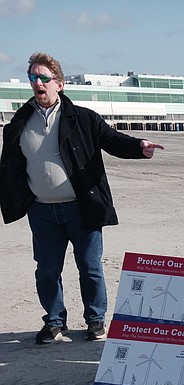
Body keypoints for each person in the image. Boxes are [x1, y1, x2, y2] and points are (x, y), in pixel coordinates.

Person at [0, 52, 164, 344]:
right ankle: (54, 322)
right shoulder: (20, 122)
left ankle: (95, 320)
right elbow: (11, 164)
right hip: (42, 210)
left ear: (59, 84)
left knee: (90, 268)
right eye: (33, 77)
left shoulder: (83, 118)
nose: (38, 82)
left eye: (44, 77)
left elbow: (111, 140)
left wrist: (139, 146)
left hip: (81, 207)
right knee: (47, 271)